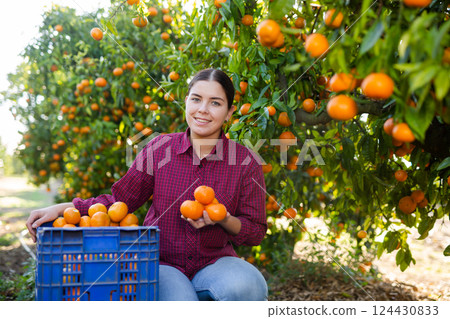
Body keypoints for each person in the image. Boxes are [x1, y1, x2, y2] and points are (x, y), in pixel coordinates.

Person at [26, 68, 268, 301]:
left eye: (215, 103)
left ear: (229, 112)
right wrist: (64, 208)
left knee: (248, 286)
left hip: (216, 262)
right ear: (186, 102)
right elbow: (118, 202)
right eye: (196, 99)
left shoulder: (245, 162)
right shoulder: (159, 149)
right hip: (162, 263)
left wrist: (223, 218)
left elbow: (255, 230)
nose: (203, 110)